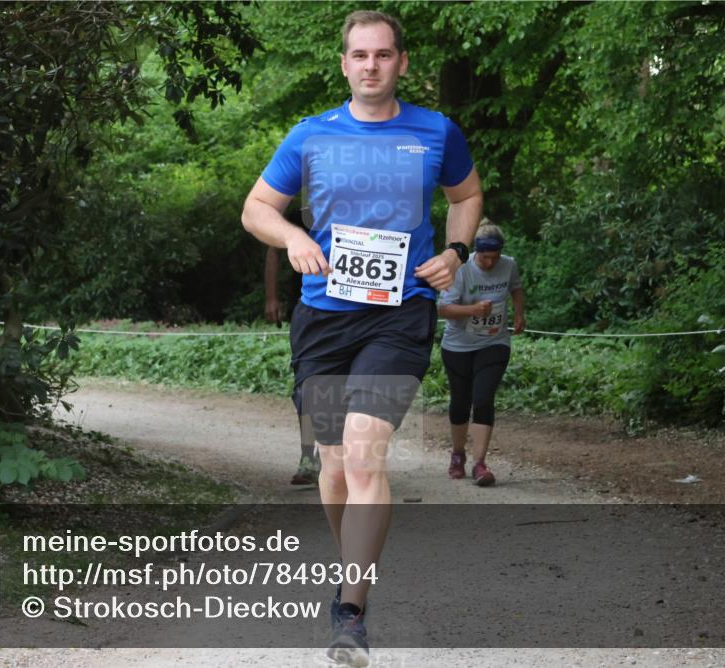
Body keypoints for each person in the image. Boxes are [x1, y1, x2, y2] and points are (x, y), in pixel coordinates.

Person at [241, 10, 482, 666]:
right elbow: (256, 207)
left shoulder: (436, 131)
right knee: (334, 464)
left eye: (383, 55)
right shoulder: (310, 136)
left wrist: (456, 252)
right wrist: (292, 237)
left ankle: (351, 609)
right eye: (359, 55)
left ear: (401, 62)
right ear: (344, 64)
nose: (370, 65)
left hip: (398, 314)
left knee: (366, 454)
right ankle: (352, 561)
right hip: (322, 316)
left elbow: (467, 195)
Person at [437, 221, 525, 486]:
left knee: (483, 398)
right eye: (485, 257)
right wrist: (472, 310)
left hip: (494, 343)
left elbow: (516, 288)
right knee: (461, 402)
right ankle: (457, 454)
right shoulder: (460, 269)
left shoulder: (508, 265)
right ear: (476, 252)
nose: (490, 263)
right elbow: (443, 309)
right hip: (458, 346)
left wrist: (520, 312)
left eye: (494, 257)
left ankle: (480, 464)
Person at [263, 234, 320, 486]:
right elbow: (273, 248)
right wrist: (271, 297)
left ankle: (342, 457)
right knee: (306, 386)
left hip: (365, 314)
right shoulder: (303, 214)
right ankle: (308, 456)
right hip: (311, 310)